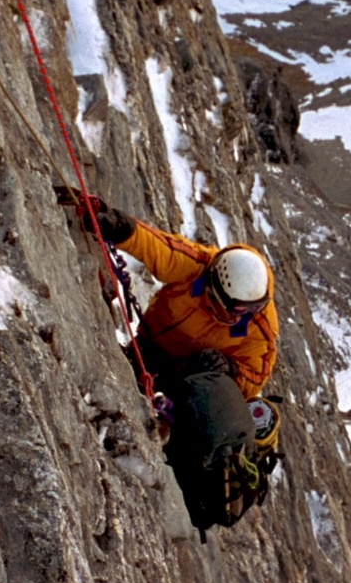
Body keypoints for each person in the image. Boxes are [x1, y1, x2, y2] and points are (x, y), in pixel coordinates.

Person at [66, 194, 282, 533]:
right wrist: (121, 229)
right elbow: (162, 249)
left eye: (247, 311)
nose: (241, 317)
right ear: (215, 288)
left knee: (193, 409)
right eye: (235, 310)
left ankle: (179, 466)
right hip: (151, 351)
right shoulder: (201, 265)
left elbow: (252, 379)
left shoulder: (260, 330)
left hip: (192, 384)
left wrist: (229, 370)